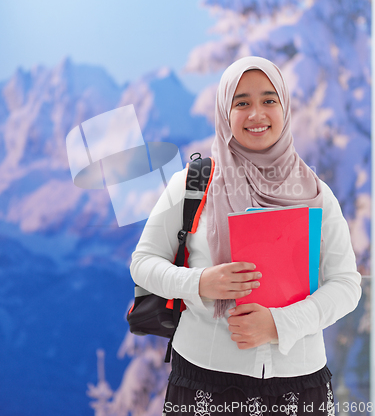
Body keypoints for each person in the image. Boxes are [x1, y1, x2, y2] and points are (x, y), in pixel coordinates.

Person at [130, 56, 361, 415]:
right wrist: (201, 282)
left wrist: (279, 325)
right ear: (225, 112)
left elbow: (347, 284)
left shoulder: (315, 193)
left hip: (300, 383)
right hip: (206, 379)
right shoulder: (192, 185)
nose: (257, 114)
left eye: (269, 100)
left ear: (285, 108)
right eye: (242, 103)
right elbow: (143, 264)